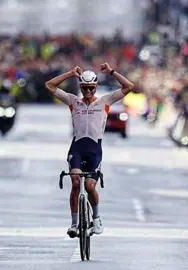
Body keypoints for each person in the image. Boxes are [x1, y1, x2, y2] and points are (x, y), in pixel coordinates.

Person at [45, 62, 136, 237]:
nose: (87, 92)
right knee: (76, 183)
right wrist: (70, 73)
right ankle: (73, 223)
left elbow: (129, 86)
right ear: (81, 87)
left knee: (89, 186)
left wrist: (112, 72)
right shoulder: (73, 101)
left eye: (91, 88)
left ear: (95, 88)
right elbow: (50, 85)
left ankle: (97, 218)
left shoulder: (105, 101)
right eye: (85, 88)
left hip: (94, 150)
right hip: (77, 148)